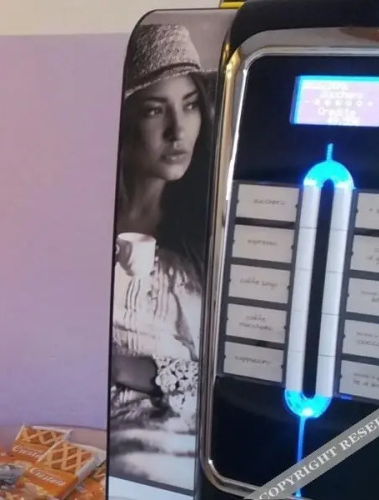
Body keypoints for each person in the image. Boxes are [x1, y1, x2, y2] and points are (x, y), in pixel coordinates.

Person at [108, 23, 213, 491]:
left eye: (190, 105)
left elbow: (227, 381)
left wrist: (129, 369)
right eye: (155, 110)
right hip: (76, 433)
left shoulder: (204, 235)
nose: (178, 130)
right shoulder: (79, 218)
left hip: (171, 445)